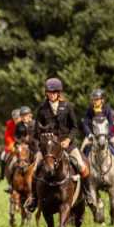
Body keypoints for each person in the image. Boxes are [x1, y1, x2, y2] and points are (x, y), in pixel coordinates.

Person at [24, 77, 93, 212]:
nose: (51, 94)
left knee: (82, 166)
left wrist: (68, 140)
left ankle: (88, 194)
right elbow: (37, 131)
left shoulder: (67, 107)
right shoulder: (42, 109)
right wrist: (42, 142)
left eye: (54, 92)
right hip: (48, 148)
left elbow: (74, 127)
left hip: (66, 144)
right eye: (49, 92)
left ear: (59, 93)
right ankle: (33, 199)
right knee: (34, 169)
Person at [81, 88, 114, 166]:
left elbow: (111, 123)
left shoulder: (107, 109)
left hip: (107, 134)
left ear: (102, 100)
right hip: (92, 135)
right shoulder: (90, 109)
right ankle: (82, 169)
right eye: (93, 99)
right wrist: (89, 134)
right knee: (82, 148)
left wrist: (107, 133)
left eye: (96, 99)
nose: (94, 101)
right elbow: (85, 123)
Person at [0, 109, 20, 181]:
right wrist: (11, 144)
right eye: (14, 118)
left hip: (23, 144)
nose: (16, 120)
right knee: (2, 156)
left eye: (17, 118)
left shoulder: (24, 123)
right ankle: (1, 174)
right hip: (12, 144)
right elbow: (7, 136)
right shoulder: (10, 124)